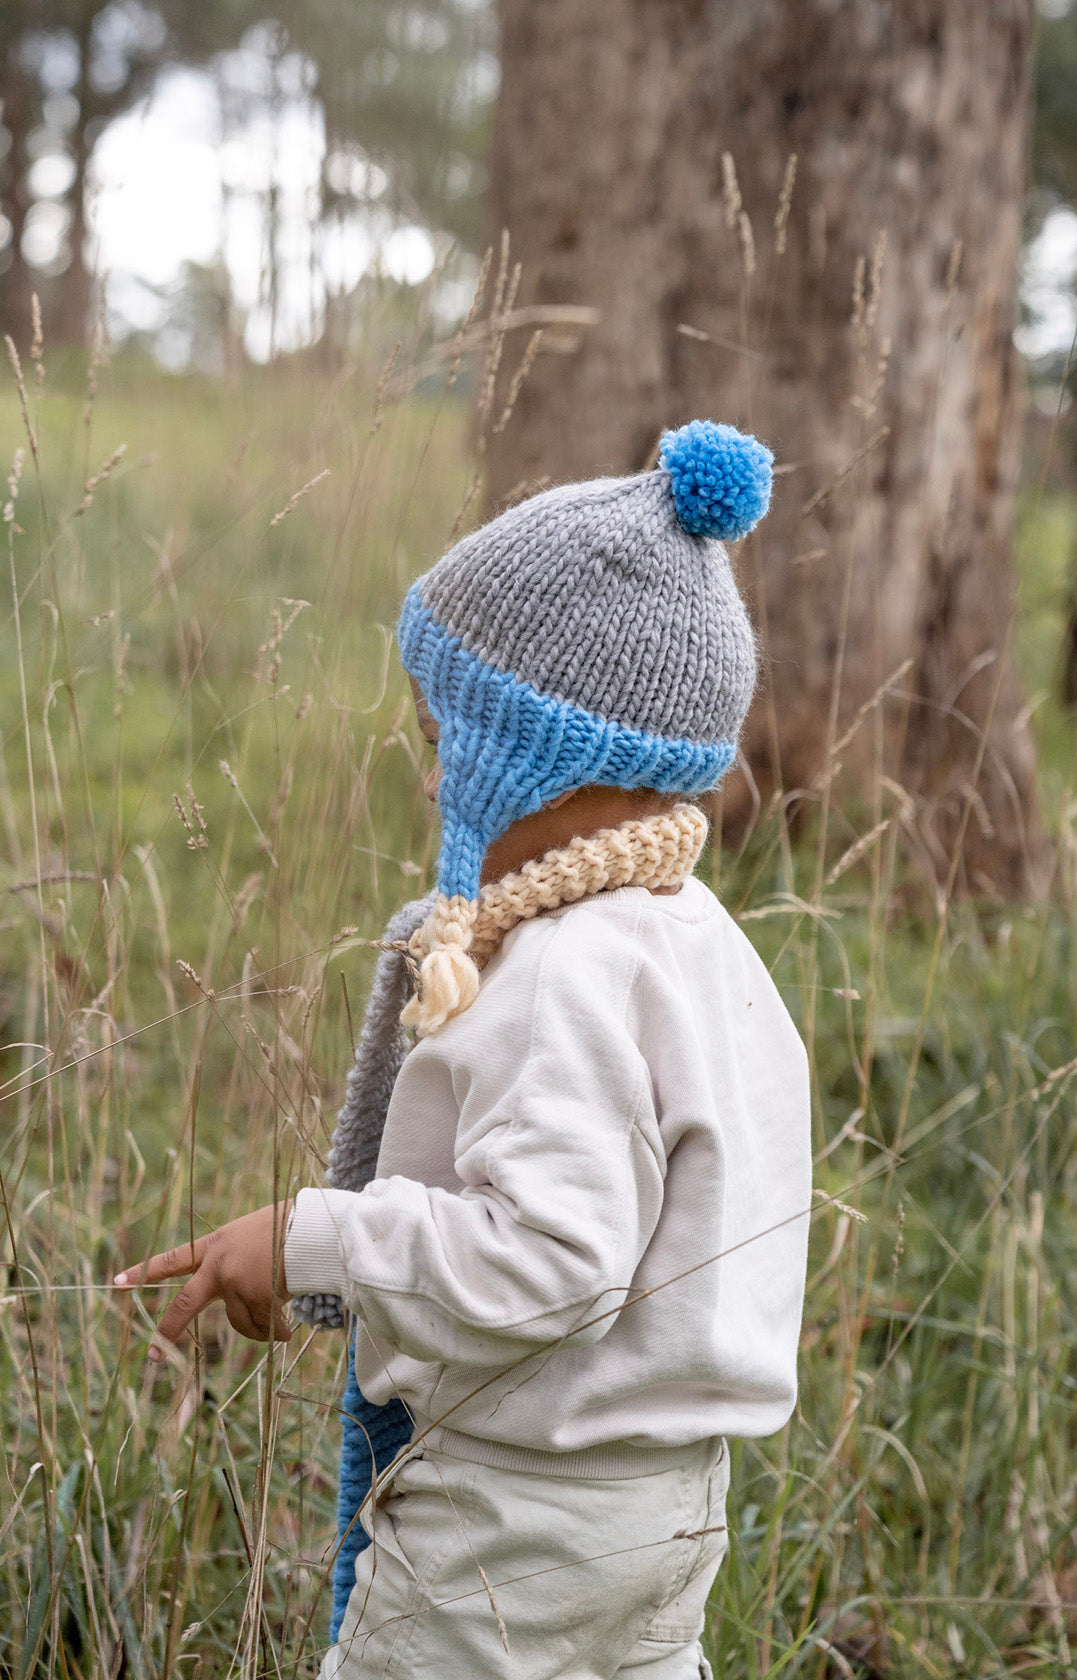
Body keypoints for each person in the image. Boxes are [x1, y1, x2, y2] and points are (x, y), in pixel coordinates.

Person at [116, 419, 812, 1680]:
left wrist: (309, 1237)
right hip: (664, 1512)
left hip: (511, 1517)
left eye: (446, 743)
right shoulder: (698, 945)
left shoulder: (558, 973)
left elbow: (547, 1265)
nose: (432, 784)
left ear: (535, 757)